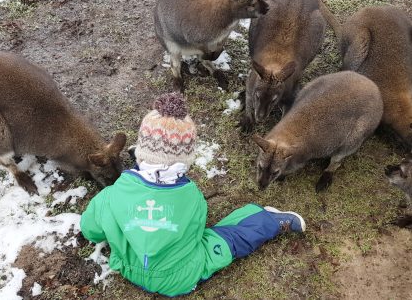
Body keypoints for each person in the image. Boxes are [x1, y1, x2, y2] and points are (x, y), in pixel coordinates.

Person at [80, 93, 306, 297]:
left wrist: (123, 227)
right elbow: (196, 237)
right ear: (185, 160)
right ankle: (270, 221)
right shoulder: (192, 198)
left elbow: (90, 229)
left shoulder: (111, 195)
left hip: (129, 269)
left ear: (141, 151)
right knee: (229, 240)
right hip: (182, 278)